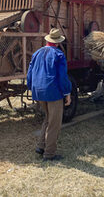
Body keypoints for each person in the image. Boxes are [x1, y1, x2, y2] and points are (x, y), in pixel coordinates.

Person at [27, 28, 72, 161]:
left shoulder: (36, 53)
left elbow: (29, 74)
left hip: (38, 90)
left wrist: (31, 88)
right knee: (55, 124)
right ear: (57, 42)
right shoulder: (58, 55)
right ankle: (49, 154)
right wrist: (67, 92)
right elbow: (62, 77)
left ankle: (41, 146)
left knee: (48, 119)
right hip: (52, 92)